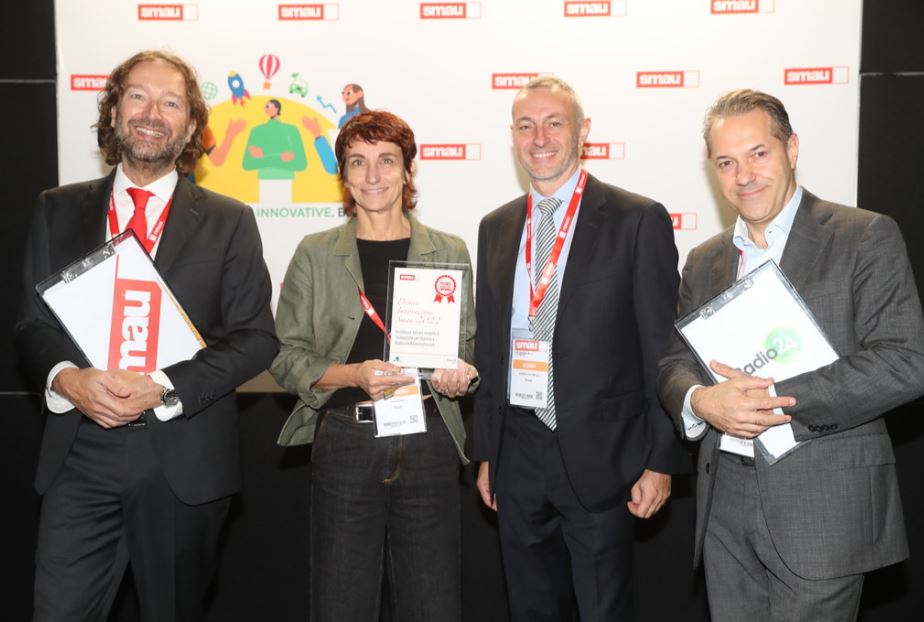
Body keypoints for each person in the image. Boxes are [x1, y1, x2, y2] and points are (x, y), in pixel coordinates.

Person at [15, 50, 278, 621]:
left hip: (181, 458)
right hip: (79, 453)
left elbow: (256, 338)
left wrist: (162, 386)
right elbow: (32, 326)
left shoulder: (230, 220)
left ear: (191, 125)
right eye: (138, 96)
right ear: (113, 112)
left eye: (171, 102)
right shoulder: (56, 209)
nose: (152, 113)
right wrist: (70, 379)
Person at [657, 89, 924, 621]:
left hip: (823, 502)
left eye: (759, 153)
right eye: (726, 162)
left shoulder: (863, 236)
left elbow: (904, 361)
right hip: (724, 503)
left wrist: (770, 399)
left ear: (792, 149)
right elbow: (673, 365)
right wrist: (703, 401)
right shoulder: (705, 259)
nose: (744, 175)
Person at [473, 76, 689, 621]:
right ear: (512, 136)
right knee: (530, 609)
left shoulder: (636, 219)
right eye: (526, 126)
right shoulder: (496, 227)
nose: (539, 138)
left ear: (583, 131)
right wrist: (488, 451)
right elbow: (492, 349)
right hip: (517, 451)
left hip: (604, 455)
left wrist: (659, 460)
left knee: (603, 611)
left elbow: (662, 349)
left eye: (554, 123)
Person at [270, 110, 477, 622]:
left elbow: (467, 347)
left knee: (434, 605)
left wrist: (460, 375)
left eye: (386, 160)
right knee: (341, 603)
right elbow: (285, 356)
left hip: (428, 438)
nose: (372, 175)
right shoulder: (315, 253)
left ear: (408, 170)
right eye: (358, 162)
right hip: (346, 439)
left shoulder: (449, 250)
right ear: (343, 174)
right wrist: (354, 375)